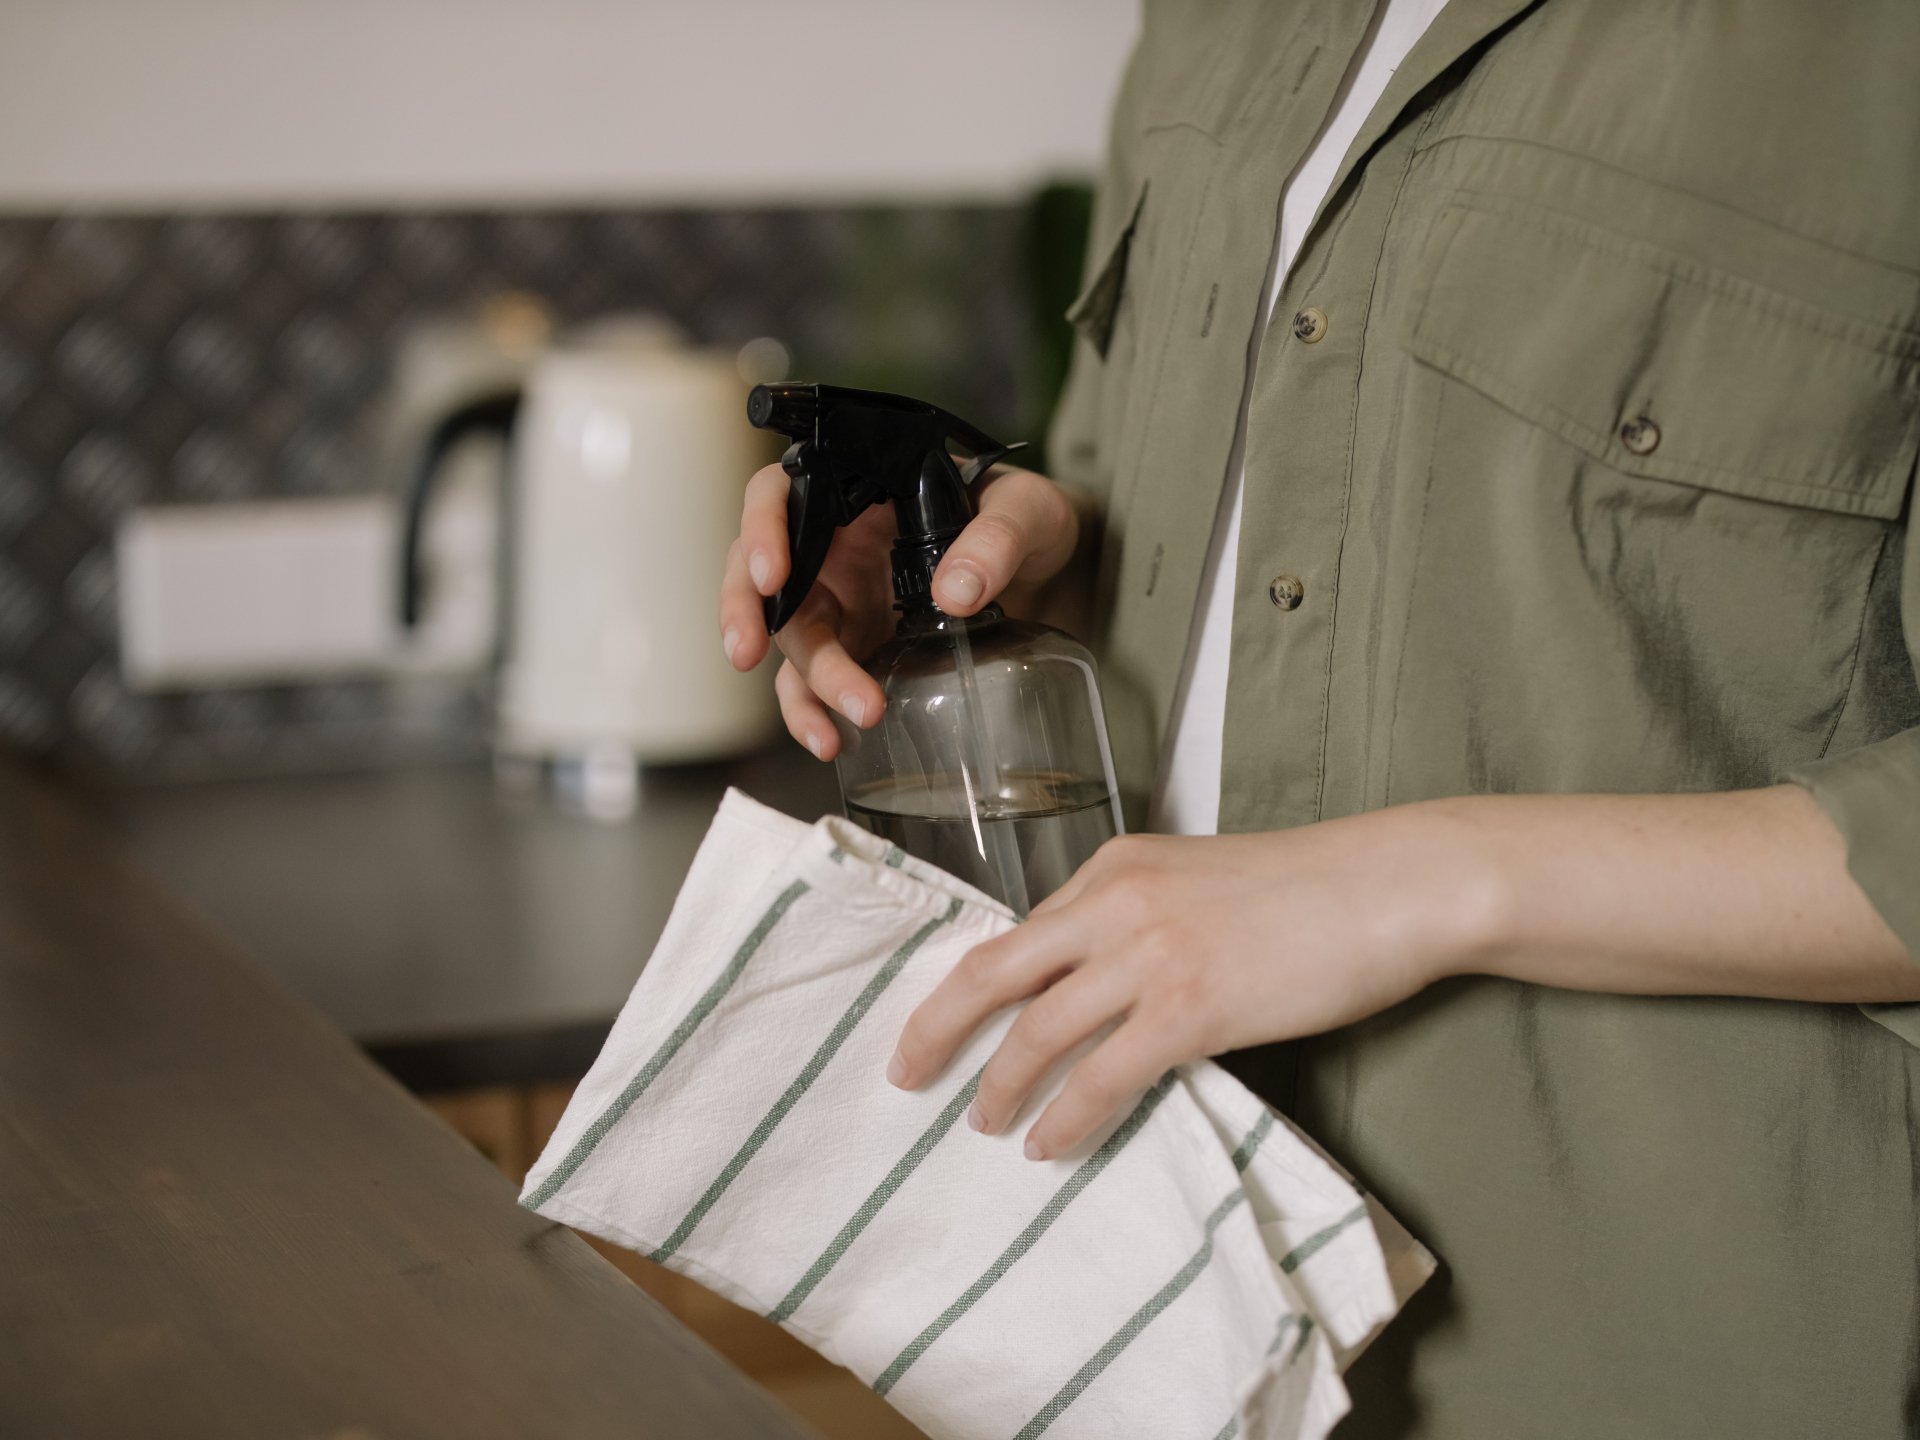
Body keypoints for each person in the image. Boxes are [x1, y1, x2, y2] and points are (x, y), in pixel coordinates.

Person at [719, 1, 1920, 1434]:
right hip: (1155, 1303)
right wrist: (1004, 541)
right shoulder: (1210, 24)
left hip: (1633, 1352)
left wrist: (1414, 885)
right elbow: (1206, 540)